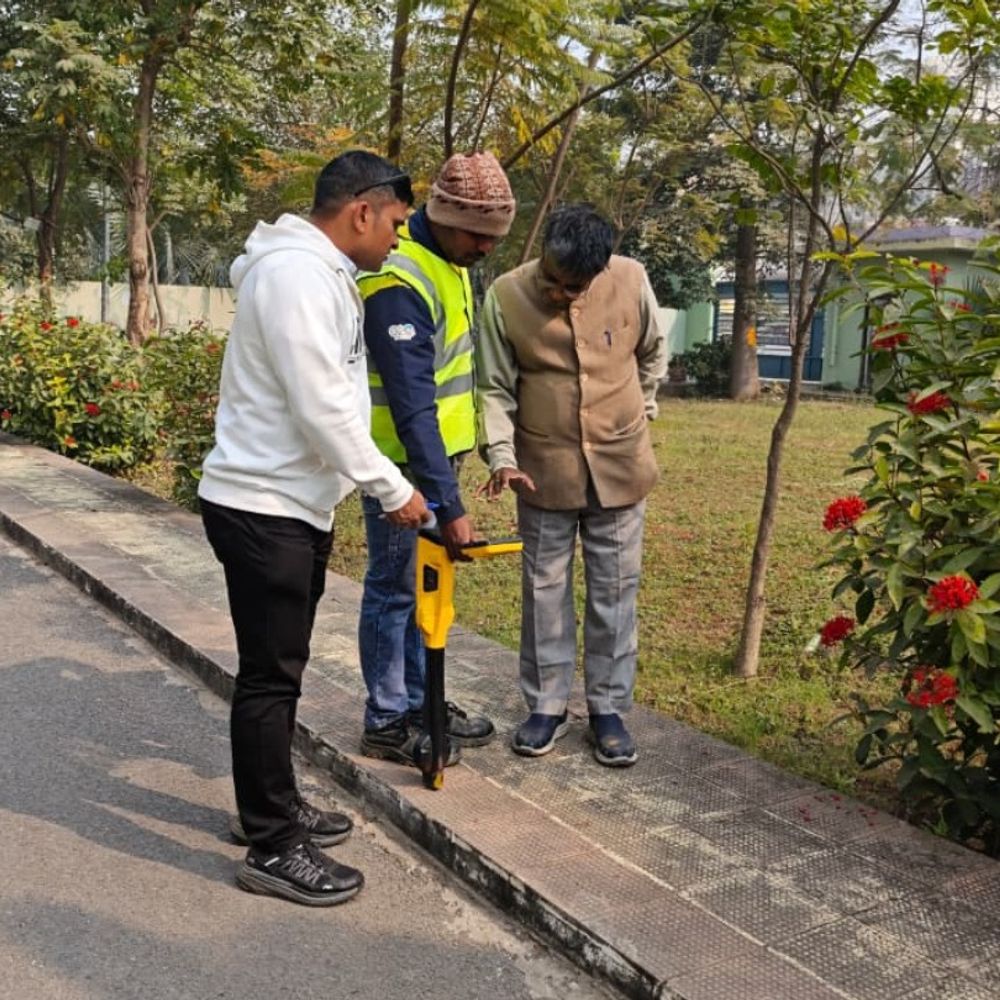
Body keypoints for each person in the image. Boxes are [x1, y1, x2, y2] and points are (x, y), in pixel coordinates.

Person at [199, 151, 429, 906]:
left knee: (281, 671)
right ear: (360, 210)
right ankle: (272, 847)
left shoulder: (316, 270)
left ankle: (272, 806)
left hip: (288, 503)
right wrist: (393, 488)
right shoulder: (296, 276)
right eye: (396, 222)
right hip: (264, 507)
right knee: (269, 679)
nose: (399, 237)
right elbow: (321, 405)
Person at [476, 204, 666, 767]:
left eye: (575, 286)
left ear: (600, 268)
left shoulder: (631, 280)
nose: (563, 294)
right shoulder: (507, 296)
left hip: (621, 467)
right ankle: (547, 706)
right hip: (542, 469)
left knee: (614, 591)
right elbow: (492, 386)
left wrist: (642, 411)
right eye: (555, 282)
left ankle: (608, 709)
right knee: (543, 592)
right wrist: (502, 456)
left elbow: (653, 352)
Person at [355, 152, 516, 766]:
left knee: (427, 587)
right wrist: (446, 502)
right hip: (402, 467)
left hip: (434, 461)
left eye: (494, 237)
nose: (485, 247)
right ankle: (387, 718)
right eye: (478, 234)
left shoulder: (449, 263)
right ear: (444, 216)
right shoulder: (398, 279)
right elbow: (411, 405)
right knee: (395, 590)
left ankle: (424, 700)